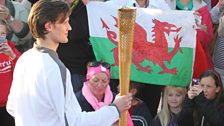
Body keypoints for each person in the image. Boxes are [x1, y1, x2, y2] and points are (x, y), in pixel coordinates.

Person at [6, 1, 132, 126]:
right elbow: (74, 122)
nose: (69, 27)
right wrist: (115, 109)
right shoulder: (54, 67)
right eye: (65, 22)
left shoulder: (25, 59)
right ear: (49, 26)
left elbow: (12, 107)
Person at [76, 61, 134, 126]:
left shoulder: (117, 100)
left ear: (108, 82)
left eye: (104, 81)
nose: (100, 84)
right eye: (95, 80)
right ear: (88, 79)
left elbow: (128, 123)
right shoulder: (76, 100)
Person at [0, 18, 21, 126]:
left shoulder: (11, 49)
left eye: (2, 33)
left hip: (9, 105)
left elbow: (23, 71)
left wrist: (12, 55)